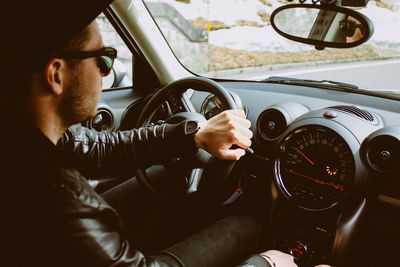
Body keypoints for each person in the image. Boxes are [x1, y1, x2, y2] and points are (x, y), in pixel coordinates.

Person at [0, 0, 305, 266]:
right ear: (56, 74)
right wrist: (265, 262)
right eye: (103, 59)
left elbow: (96, 150)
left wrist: (194, 136)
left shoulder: (24, 138)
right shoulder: (58, 200)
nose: (107, 72)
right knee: (246, 227)